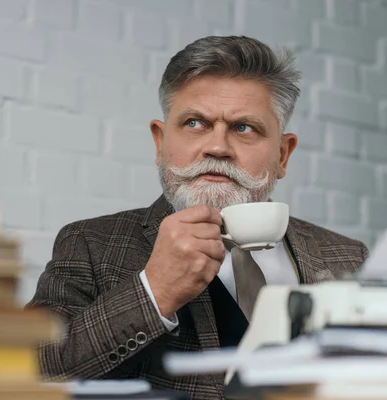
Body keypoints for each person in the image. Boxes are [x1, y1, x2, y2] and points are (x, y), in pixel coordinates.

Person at [26, 35, 369, 399]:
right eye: (194, 123)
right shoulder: (90, 246)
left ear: (283, 155)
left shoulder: (348, 257)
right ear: (160, 142)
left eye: (244, 128)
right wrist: (153, 291)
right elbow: (28, 373)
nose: (217, 147)